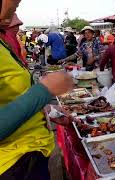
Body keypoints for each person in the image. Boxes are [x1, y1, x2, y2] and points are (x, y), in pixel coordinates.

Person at [0, 0, 74, 179]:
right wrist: (44, 90)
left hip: (30, 155)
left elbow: (11, 97)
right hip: (14, 165)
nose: (17, 4)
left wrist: (48, 110)